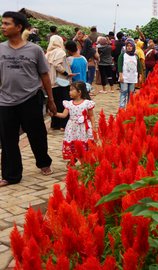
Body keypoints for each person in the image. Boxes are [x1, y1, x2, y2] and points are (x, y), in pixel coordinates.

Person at [0, 12, 56, 187]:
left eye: (7, 24)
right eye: (2, 23)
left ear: (18, 27)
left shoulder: (34, 50)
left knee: (37, 134)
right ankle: (11, 175)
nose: (3, 26)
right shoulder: (0, 48)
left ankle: (43, 162)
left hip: (30, 99)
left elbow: (44, 75)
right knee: (8, 139)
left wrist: (51, 100)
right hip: (5, 101)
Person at [53, 82, 96, 164]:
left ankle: (84, 160)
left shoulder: (87, 103)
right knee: (72, 143)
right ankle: (73, 159)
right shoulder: (69, 104)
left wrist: (94, 127)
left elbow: (91, 116)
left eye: (72, 90)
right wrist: (54, 113)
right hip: (72, 128)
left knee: (83, 144)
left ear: (79, 92)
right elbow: (63, 115)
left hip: (83, 128)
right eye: (69, 90)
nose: (69, 92)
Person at [45, 35, 74, 130]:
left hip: (51, 82)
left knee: (55, 103)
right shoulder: (60, 52)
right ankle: (63, 125)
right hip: (61, 82)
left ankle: (55, 124)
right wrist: (67, 73)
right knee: (64, 103)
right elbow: (58, 65)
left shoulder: (48, 53)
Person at [117, 38, 142, 109]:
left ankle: (129, 107)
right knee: (123, 92)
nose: (129, 47)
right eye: (127, 46)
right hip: (124, 77)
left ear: (133, 47)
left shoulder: (136, 56)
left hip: (133, 77)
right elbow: (120, 65)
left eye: (131, 46)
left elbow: (138, 66)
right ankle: (121, 107)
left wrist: (140, 76)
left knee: (131, 93)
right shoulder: (122, 55)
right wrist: (120, 76)